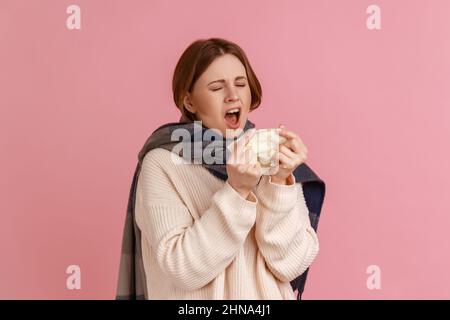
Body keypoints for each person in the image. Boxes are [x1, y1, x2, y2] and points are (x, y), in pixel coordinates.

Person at [116, 38, 324, 300]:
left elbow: (290, 265)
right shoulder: (163, 162)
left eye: (240, 84)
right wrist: (237, 191)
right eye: (216, 87)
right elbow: (183, 268)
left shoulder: (270, 158)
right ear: (189, 101)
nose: (233, 95)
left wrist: (281, 183)